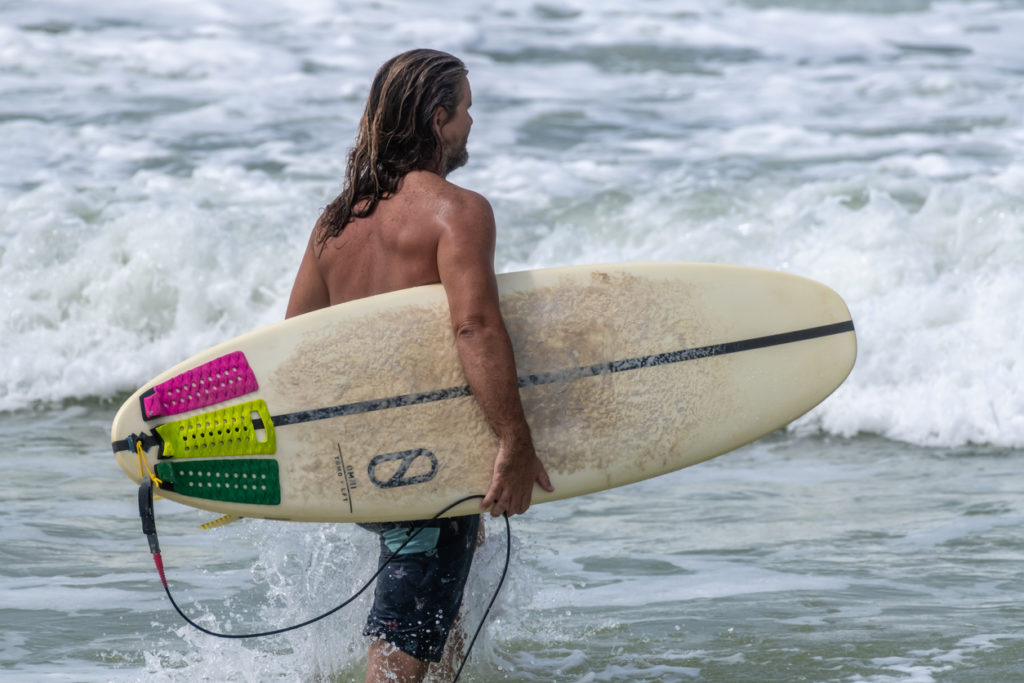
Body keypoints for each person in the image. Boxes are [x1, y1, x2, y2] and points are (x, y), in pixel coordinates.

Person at [285, 49, 554, 683]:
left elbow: (296, 343)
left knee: (437, 613)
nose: (470, 124)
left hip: (371, 458)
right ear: (438, 118)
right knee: (403, 649)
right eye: (465, 109)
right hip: (425, 459)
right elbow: (474, 326)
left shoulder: (336, 221)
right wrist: (515, 440)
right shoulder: (457, 211)